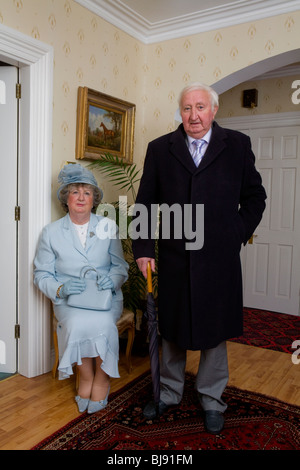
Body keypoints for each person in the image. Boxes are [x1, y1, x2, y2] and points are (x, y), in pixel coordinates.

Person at [132, 82, 266, 433]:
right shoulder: (161, 149)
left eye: (200, 107)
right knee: (172, 328)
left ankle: (211, 399)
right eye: (187, 108)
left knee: (214, 329)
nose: (193, 115)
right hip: (175, 256)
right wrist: (144, 249)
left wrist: (234, 232)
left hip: (218, 259)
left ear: (213, 110)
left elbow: (255, 197)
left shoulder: (236, 145)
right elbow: (145, 204)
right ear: (181, 112)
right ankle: (169, 393)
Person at [34, 163, 128, 414]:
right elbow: (41, 274)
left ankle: (102, 379)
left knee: (104, 326)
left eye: (87, 192)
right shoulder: (51, 232)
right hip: (69, 300)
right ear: (66, 197)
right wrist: (61, 287)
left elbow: (121, 267)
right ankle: (86, 377)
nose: (81, 197)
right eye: (75, 192)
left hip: (105, 299)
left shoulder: (108, 227)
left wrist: (113, 280)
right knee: (76, 324)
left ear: (94, 199)